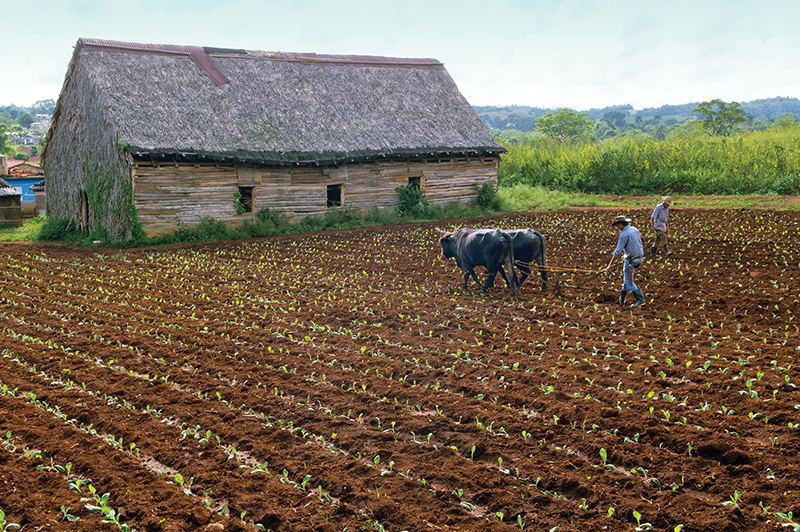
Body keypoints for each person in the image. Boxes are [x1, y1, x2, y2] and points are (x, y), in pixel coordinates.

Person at [605, 215, 645, 307]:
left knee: (629, 281)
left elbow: (617, 251)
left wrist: (609, 265)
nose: (617, 228)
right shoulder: (635, 230)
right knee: (627, 279)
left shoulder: (623, 234)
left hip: (631, 261)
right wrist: (626, 256)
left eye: (617, 225)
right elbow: (637, 244)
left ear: (620, 224)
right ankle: (622, 300)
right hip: (639, 258)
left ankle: (640, 299)